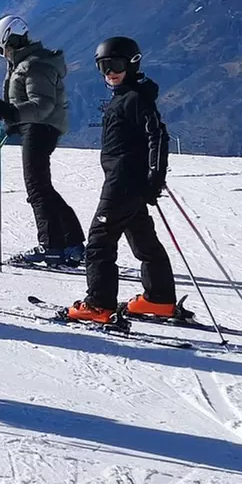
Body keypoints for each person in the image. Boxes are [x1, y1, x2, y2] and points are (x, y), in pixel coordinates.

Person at [66, 36, 176, 324]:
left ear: (132, 63)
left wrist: (156, 175)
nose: (110, 72)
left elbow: (158, 136)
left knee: (100, 241)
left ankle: (99, 305)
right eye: (103, 66)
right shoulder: (129, 95)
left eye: (115, 64)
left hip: (123, 183)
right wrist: (150, 179)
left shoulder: (135, 99)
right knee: (143, 240)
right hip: (131, 182)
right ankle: (159, 298)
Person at [0, 14, 85, 267]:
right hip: (39, 127)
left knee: (37, 189)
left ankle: (51, 247)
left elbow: (43, 104)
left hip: (41, 128)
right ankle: (71, 243)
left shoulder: (35, 65)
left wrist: (15, 114)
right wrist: (16, 121)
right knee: (42, 188)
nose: (3, 54)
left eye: (1, 49)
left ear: (10, 40)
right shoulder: (30, 63)